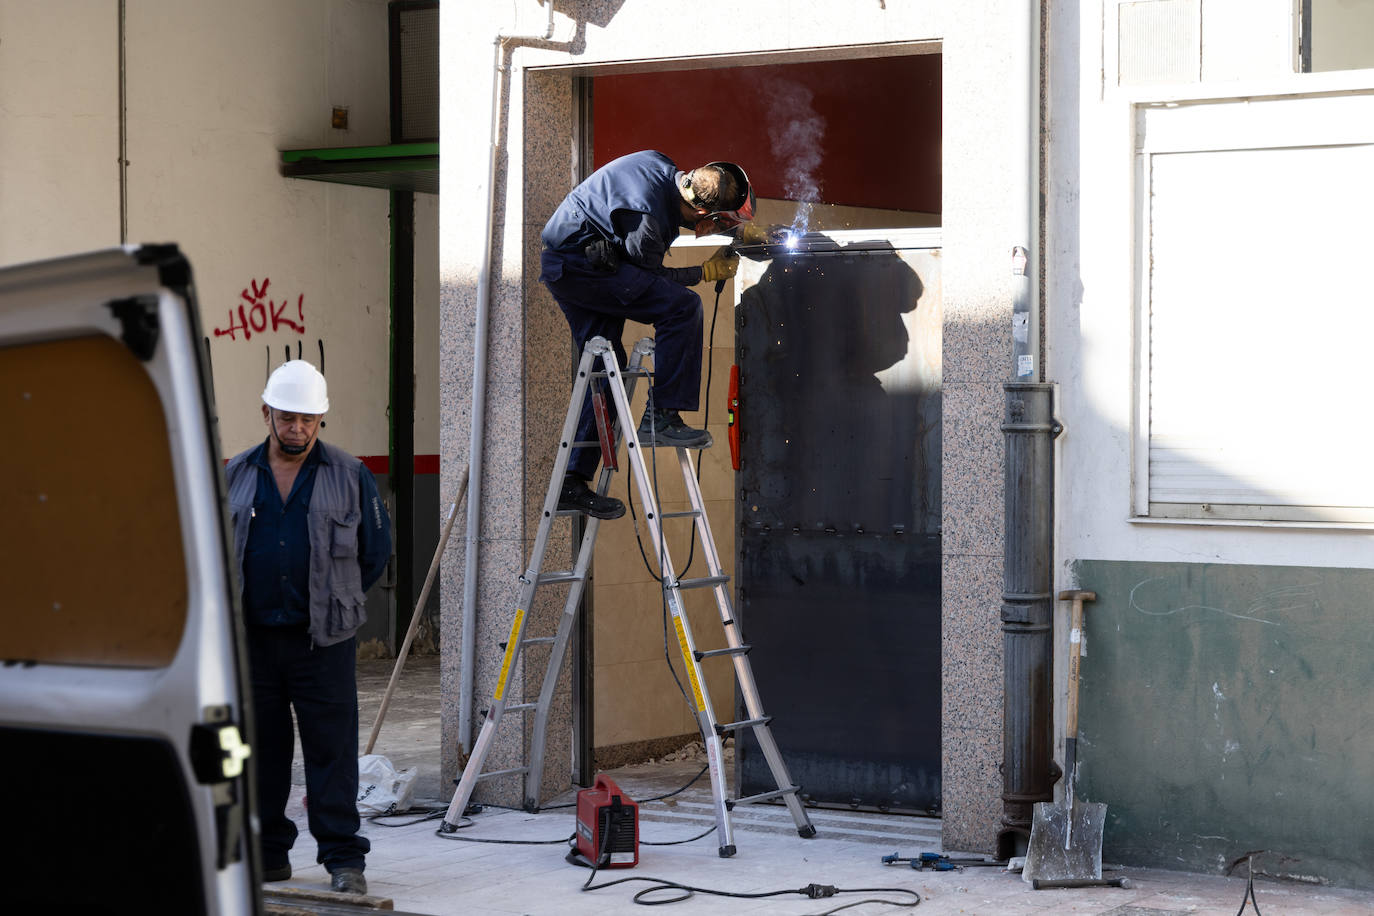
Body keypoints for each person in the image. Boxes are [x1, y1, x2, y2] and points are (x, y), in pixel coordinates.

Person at [225, 360, 391, 896]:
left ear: (322, 420)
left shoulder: (350, 473)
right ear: (267, 412)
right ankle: (269, 855)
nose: (298, 428)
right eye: (289, 417)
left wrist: (334, 600)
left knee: (332, 753)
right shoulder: (235, 473)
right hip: (253, 641)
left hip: (324, 643)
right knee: (261, 754)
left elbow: (376, 552)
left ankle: (344, 860)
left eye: (309, 419)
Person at [539, 150, 772, 519]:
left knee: (607, 369)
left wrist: (742, 231)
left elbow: (642, 256)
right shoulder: (647, 224)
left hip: (581, 260)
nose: (718, 228)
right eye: (718, 223)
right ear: (700, 213)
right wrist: (705, 272)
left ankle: (571, 481)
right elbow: (651, 281)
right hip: (579, 269)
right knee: (682, 307)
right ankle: (660, 416)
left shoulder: (659, 164)